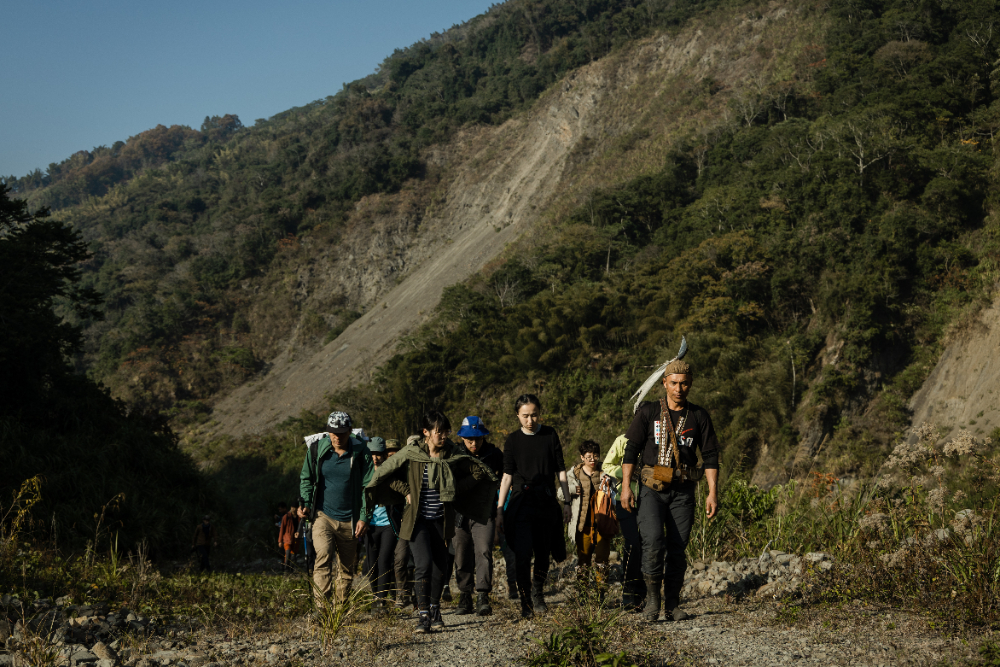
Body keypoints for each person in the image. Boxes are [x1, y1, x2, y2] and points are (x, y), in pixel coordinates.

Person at [366, 411, 497, 634]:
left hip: (441, 520)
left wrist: (455, 490)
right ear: (426, 432)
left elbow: (476, 471)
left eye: (446, 431)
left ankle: (435, 608)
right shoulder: (412, 453)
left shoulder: (452, 454)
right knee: (423, 564)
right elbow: (386, 473)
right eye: (439, 432)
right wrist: (405, 490)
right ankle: (423, 613)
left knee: (440, 567)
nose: (444, 436)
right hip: (417, 520)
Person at [620, 355, 719, 622]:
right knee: (652, 542)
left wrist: (712, 492)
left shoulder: (698, 416)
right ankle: (653, 602)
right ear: (665, 383)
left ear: (690, 385)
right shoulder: (649, 411)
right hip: (652, 488)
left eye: (684, 384)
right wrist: (626, 487)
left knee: (678, 547)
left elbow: (710, 455)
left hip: (683, 491)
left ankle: (672, 604)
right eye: (674, 383)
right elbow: (631, 451)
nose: (679, 388)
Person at [496, 394, 571, 619]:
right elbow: (507, 476)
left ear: (539, 413)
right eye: (525, 416)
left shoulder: (549, 434)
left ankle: (538, 594)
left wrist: (566, 502)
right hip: (521, 503)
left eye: (534, 414)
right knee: (522, 553)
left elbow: (560, 471)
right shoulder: (512, 441)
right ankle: (525, 599)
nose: (530, 420)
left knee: (542, 552)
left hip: (545, 501)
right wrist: (500, 509)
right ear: (517, 415)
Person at [297, 411, 375, 608]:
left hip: (350, 518)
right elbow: (306, 478)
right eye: (333, 433)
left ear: (350, 431)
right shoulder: (317, 450)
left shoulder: (360, 452)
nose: (336, 437)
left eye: (341, 433)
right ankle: (322, 609)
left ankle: (339, 610)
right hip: (323, 515)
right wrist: (306, 503)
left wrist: (364, 517)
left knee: (346, 568)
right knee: (323, 555)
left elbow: (368, 487)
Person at [452, 416, 503, 616]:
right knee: (461, 554)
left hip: (484, 513)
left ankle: (483, 595)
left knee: (483, 552)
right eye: (469, 439)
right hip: (460, 514)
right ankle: (464, 595)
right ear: (462, 439)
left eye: (478, 439)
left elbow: (506, 475)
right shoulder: (455, 455)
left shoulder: (494, 454)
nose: (474, 443)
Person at [602, 434, 646, 610]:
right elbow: (607, 465)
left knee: (647, 543)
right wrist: (628, 473)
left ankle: (643, 592)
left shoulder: (655, 439)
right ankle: (628, 588)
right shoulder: (623, 440)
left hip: (649, 499)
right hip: (624, 498)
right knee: (632, 542)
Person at [562, 440, 611, 571]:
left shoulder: (605, 472)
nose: (592, 460)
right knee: (583, 561)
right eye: (588, 457)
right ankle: (583, 591)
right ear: (582, 457)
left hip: (602, 525)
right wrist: (571, 489)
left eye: (595, 456)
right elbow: (560, 493)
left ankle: (601, 591)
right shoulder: (574, 474)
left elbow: (616, 492)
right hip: (582, 525)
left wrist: (608, 483)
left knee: (603, 561)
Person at [363, 437, 399, 611]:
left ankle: (381, 601)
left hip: (388, 524)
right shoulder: (363, 474)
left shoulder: (391, 472)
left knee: (385, 561)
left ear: (384, 455)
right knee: (372, 564)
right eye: (372, 454)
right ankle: (375, 595)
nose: (375, 458)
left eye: (378, 454)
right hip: (369, 525)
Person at [278, 501, 298, 569]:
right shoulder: (286, 517)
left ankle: (291, 571)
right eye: (292, 508)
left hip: (295, 539)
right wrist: (280, 541)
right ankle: (286, 571)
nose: (293, 509)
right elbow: (282, 529)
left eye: (294, 508)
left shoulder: (299, 517)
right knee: (287, 554)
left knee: (293, 556)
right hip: (287, 539)